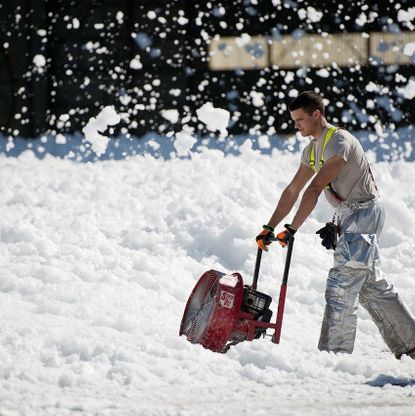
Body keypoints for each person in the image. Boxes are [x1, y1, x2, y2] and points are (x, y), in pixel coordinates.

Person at [256, 90, 415, 358]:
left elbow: (315, 187)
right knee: (370, 285)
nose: (296, 125)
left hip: (364, 213)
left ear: (316, 115)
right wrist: (270, 227)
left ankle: (333, 355)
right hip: (347, 215)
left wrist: (293, 228)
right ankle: (411, 342)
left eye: (300, 120)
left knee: (342, 282)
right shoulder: (312, 149)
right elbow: (293, 189)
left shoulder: (339, 141)